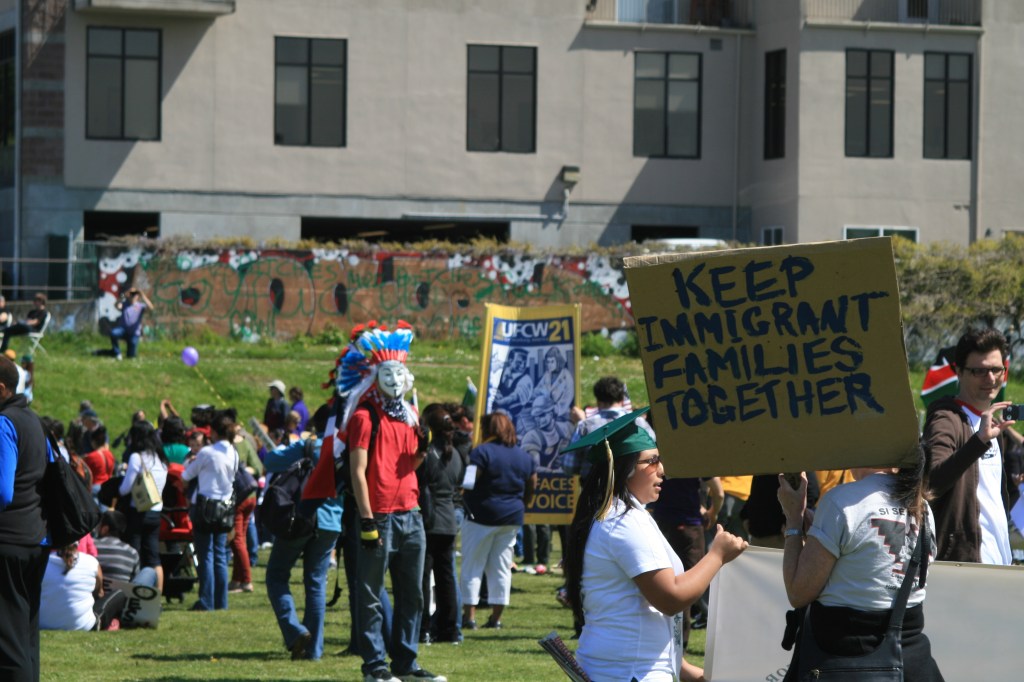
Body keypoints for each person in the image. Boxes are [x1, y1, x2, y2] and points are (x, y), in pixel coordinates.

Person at [563, 408, 747, 682]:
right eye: (652, 461)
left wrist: (691, 674)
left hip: (624, 668)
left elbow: (644, 614)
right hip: (626, 673)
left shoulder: (623, 515)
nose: (662, 470)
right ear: (623, 469)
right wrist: (717, 554)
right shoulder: (623, 521)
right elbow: (670, 598)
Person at [776, 450, 944, 682]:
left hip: (845, 659)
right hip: (912, 662)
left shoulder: (840, 500)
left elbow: (798, 592)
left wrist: (793, 518)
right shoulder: (922, 505)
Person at [339, 320, 444, 682]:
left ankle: (406, 663)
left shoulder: (408, 417)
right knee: (370, 594)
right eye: (389, 374)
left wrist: (425, 446)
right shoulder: (365, 417)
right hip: (379, 517)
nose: (396, 381)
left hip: (411, 514)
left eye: (400, 374)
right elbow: (357, 471)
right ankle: (374, 666)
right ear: (377, 376)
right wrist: (366, 519)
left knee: (412, 593)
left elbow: (410, 464)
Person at [922, 328, 1018, 564]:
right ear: (959, 372)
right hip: (963, 563)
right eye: (979, 371)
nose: (991, 379)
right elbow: (932, 482)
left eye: (997, 370)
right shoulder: (946, 418)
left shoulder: (992, 425)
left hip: (999, 560)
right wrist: (978, 442)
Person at [264, 406, 343, 661]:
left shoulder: (312, 445)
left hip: (301, 517)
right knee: (316, 584)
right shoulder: (346, 448)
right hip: (331, 522)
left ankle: (294, 629)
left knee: (276, 575)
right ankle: (314, 650)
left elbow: (271, 461)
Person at [460, 412, 536, 631]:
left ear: (488, 429)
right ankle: (496, 619)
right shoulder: (524, 456)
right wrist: (524, 504)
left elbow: (469, 483)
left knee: (473, 566)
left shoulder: (481, 452)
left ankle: (470, 617)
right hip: (512, 517)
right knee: (501, 568)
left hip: (480, 516)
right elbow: (532, 483)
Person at [0, 354, 50, 680]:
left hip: (8, 540)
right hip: (38, 537)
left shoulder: (3, 423)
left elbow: (3, 491)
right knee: (27, 634)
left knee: (7, 639)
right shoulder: (34, 420)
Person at [417, 404, 465, 644]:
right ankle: (449, 629)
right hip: (448, 518)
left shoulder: (429, 454)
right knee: (446, 578)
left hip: (431, 517)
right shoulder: (454, 454)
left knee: (425, 578)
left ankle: (424, 627)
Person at [182, 409, 239, 611]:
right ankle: (221, 602)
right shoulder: (233, 452)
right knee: (220, 555)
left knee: (205, 555)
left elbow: (186, 476)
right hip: (225, 508)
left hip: (206, 506)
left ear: (214, 432)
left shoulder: (207, 452)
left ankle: (206, 600)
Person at [117, 421, 169, 593]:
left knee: (135, 554)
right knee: (154, 557)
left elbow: (125, 489)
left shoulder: (137, 457)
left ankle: (135, 593)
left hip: (137, 512)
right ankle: (157, 596)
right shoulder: (161, 458)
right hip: (156, 511)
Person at [40, 541, 126, 632]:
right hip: (84, 626)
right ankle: (113, 625)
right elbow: (100, 593)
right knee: (119, 594)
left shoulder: (42, 561)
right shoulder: (91, 562)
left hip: (43, 623)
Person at [229, 428, 263, 593]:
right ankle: (237, 580)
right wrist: (245, 469)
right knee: (239, 539)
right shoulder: (246, 443)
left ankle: (246, 581)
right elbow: (257, 467)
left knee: (237, 540)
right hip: (250, 494)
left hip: (239, 496)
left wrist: (239, 470)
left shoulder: (227, 446)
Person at [93, 510, 157, 588]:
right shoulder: (132, 552)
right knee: (149, 571)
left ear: (105, 529)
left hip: (96, 595)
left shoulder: (92, 545)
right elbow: (133, 580)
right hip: (121, 596)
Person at [491, 348, 533, 430]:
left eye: (525, 362)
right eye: (519, 362)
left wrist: (499, 402)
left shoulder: (526, 379)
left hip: (512, 421)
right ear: (510, 361)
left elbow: (515, 397)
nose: (523, 365)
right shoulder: (502, 371)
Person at [107, 287, 154, 360]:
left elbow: (151, 308)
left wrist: (142, 295)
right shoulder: (124, 304)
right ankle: (117, 353)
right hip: (123, 330)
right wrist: (123, 296)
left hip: (134, 333)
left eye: (135, 294)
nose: (133, 296)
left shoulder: (140, 306)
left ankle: (116, 353)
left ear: (137, 296)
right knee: (114, 333)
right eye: (131, 294)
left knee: (131, 356)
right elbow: (116, 305)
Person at [533, 347, 574, 416]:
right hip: (545, 411)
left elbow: (567, 398)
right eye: (547, 362)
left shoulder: (566, 376)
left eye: (552, 362)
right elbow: (536, 390)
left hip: (562, 414)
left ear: (558, 361)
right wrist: (541, 391)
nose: (549, 365)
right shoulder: (548, 374)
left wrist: (554, 409)